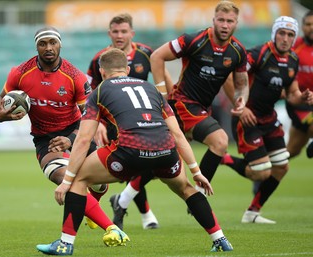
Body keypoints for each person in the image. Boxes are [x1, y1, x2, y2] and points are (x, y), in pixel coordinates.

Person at [36, 48, 233, 255]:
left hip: (129, 151)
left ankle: (65, 244)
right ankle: (220, 239)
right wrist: (196, 171)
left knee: (78, 180)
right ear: (127, 69)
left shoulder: (100, 91)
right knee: (185, 188)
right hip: (165, 150)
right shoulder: (151, 89)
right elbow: (177, 134)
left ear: (102, 71)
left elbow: (84, 139)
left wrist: (65, 182)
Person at [0, 26, 122, 244]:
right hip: (45, 139)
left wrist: (70, 139)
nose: (48, 48)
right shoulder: (19, 72)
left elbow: (89, 117)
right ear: (36, 46)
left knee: (99, 183)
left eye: (53, 42)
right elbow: (0, 100)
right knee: (65, 179)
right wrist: (0, 114)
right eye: (43, 44)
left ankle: (94, 204)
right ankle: (112, 227)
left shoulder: (75, 77)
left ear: (60, 44)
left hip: (76, 132)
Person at [221, 16, 313, 224]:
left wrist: (303, 97)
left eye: (290, 35)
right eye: (282, 33)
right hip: (249, 119)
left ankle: (252, 213)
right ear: (274, 33)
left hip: (269, 119)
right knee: (261, 173)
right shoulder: (258, 54)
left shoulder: (293, 60)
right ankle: (223, 158)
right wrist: (240, 107)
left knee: (282, 167)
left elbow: (292, 93)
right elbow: (229, 77)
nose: (285, 38)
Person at [150, 0, 249, 192]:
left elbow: (242, 84)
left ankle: (123, 199)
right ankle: (199, 194)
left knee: (162, 158)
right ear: (214, 20)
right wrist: (161, 93)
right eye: (221, 20)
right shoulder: (194, 40)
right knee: (220, 141)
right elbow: (156, 56)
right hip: (183, 103)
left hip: (202, 108)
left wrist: (241, 98)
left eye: (230, 21)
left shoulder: (238, 51)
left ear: (236, 23)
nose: (225, 25)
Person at [87, 13, 173, 230]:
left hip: (146, 120)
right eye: (115, 31)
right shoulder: (101, 58)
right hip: (115, 121)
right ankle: (145, 214)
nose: (119, 35)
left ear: (131, 33)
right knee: (134, 165)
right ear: (109, 33)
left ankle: (124, 204)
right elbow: (91, 92)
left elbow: (163, 77)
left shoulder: (146, 53)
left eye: (123, 31)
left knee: (147, 163)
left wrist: (168, 102)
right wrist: (98, 123)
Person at [285, 10, 313, 159]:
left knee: (291, 151)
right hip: (299, 103)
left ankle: (262, 175)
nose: (312, 27)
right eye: (308, 24)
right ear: (302, 27)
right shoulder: (294, 47)